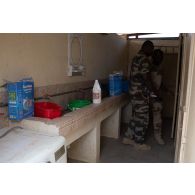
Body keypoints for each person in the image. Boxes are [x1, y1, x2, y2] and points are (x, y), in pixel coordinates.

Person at [122, 40, 155, 150]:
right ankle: (139, 143)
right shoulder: (144, 59)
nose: (152, 51)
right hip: (141, 93)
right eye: (152, 48)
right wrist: (152, 92)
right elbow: (146, 78)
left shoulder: (136, 57)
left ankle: (128, 137)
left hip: (133, 92)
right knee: (142, 118)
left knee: (136, 115)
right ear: (146, 47)